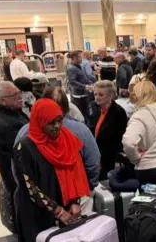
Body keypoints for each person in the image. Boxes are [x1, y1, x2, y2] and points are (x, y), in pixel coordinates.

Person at [13, 99, 91, 242]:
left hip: (65, 209)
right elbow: (30, 186)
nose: (57, 126)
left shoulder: (66, 140)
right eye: (51, 123)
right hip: (37, 213)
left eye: (59, 120)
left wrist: (74, 201)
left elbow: (74, 173)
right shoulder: (24, 147)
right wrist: (57, 210)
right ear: (39, 121)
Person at [15, 87, 101, 191]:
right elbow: (93, 163)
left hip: (40, 196)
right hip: (76, 193)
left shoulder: (24, 131)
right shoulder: (81, 130)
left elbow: (17, 168)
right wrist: (88, 186)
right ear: (67, 106)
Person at [0, 81, 29, 204]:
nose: (20, 97)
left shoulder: (12, 112)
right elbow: (26, 150)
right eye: (14, 95)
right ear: (2, 100)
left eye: (19, 93)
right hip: (19, 180)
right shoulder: (7, 124)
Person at [90, 80, 128, 180]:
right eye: (95, 94)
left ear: (110, 96)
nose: (97, 97)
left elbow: (121, 138)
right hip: (97, 155)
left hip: (110, 158)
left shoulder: (118, 112)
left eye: (101, 95)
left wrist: (117, 160)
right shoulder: (96, 109)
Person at [66, 51, 96, 123]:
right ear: (73, 58)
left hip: (84, 93)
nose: (81, 59)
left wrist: (91, 84)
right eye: (79, 57)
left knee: (87, 113)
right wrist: (85, 86)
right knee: (81, 115)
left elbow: (84, 78)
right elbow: (72, 82)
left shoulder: (80, 66)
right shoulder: (71, 68)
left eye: (81, 57)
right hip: (78, 95)